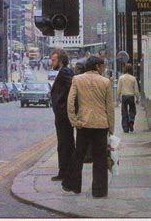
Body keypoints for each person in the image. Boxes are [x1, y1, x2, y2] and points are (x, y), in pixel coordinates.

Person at [62, 56, 114, 198]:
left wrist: (74, 120)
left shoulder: (77, 79)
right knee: (100, 158)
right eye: (102, 66)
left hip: (83, 124)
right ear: (97, 66)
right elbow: (109, 107)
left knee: (79, 154)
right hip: (101, 124)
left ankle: (72, 185)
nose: (103, 69)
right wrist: (111, 128)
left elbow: (70, 102)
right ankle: (99, 190)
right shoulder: (105, 82)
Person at [50, 49, 75, 182]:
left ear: (60, 60)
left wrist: (62, 106)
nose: (51, 62)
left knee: (64, 143)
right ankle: (66, 171)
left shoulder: (65, 71)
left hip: (64, 115)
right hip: (63, 114)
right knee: (67, 143)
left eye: (53, 60)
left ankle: (64, 172)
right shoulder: (65, 71)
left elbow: (72, 89)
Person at [117, 63, 140, 133]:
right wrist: (137, 98)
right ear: (131, 70)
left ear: (125, 69)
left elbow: (119, 89)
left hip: (124, 96)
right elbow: (136, 89)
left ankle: (125, 128)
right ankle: (131, 120)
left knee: (124, 111)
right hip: (131, 96)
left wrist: (118, 97)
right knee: (132, 110)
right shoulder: (133, 78)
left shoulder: (121, 78)